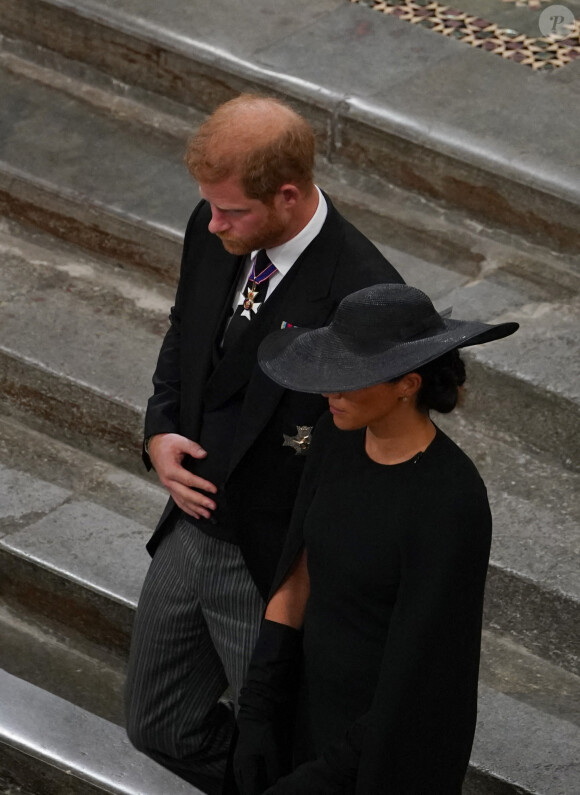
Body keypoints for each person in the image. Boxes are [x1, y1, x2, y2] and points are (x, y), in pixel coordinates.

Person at [124, 94, 403, 794]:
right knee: (155, 721)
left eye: (232, 212)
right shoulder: (213, 227)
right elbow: (185, 332)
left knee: (279, 748)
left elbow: (368, 460)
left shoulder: (362, 293)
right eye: (209, 207)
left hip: (275, 561)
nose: (212, 223)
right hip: (192, 530)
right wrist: (160, 427)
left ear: (287, 194)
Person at [234, 283, 519, 794]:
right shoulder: (332, 439)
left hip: (387, 744)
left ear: (407, 384)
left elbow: (422, 671)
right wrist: (258, 705)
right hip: (308, 702)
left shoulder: (450, 499)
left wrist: (328, 775)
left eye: (348, 381)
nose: (329, 394)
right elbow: (298, 571)